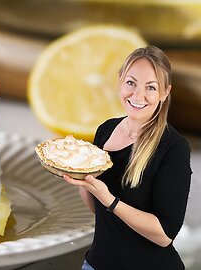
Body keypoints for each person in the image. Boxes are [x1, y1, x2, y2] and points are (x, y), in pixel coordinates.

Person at [64, 45, 192, 270]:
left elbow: (164, 235)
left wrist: (109, 200)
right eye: (131, 82)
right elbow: (96, 208)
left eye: (150, 87)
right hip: (96, 263)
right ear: (120, 81)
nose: (137, 95)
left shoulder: (174, 148)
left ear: (165, 93)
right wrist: (83, 178)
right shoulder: (105, 130)